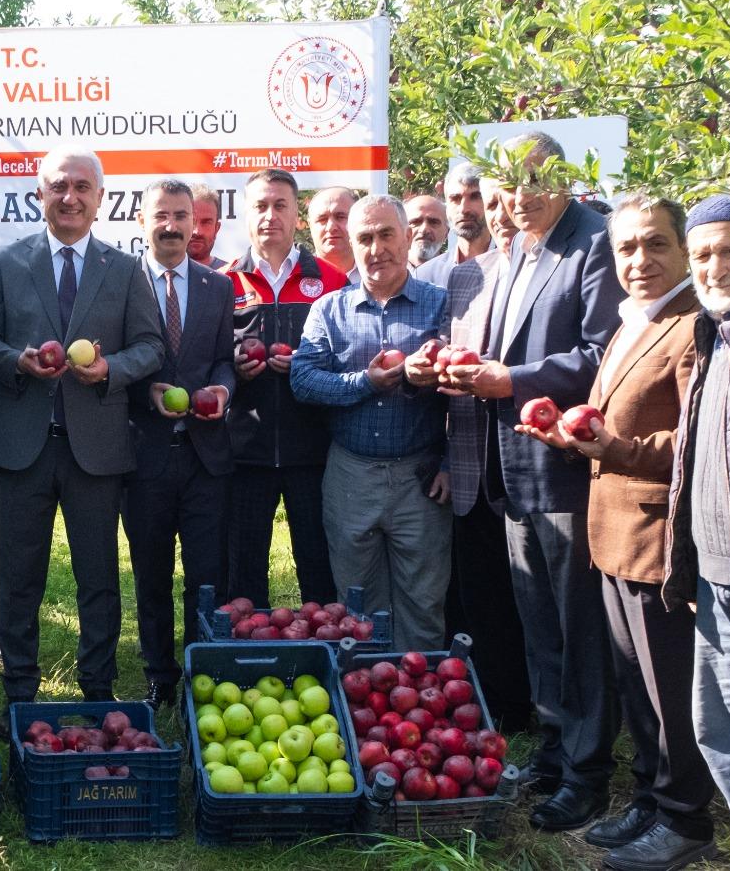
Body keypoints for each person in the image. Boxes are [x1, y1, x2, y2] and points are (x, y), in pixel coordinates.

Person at [516, 195, 715, 869]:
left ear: (684, 250)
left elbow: (692, 443)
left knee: (668, 689)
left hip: (658, 540)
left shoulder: (693, 327)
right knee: (637, 690)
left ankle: (686, 819)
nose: (640, 261)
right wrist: (568, 436)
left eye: (656, 245)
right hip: (614, 538)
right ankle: (650, 800)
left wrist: (612, 445)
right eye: (627, 248)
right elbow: (610, 426)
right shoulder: (637, 322)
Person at [434, 131, 625, 831]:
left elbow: (602, 355)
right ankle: (553, 752)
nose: (519, 198)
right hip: (510, 473)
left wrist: (509, 379)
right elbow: (509, 348)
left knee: (578, 631)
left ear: (567, 178)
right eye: (507, 187)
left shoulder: (594, 242)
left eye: (534, 181)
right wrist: (469, 366)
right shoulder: (516, 249)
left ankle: (588, 772)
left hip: (566, 472)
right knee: (538, 626)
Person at [0, 147, 163, 721]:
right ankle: (19, 693)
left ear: (101, 198)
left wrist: (110, 371)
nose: (70, 196)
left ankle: (97, 690)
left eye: (82, 186)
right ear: (40, 195)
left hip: (95, 446)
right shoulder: (6, 262)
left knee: (98, 575)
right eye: (58, 187)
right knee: (17, 575)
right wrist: (15, 361)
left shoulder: (122, 269)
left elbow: (150, 346)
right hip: (23, 443)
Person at [291, 194, 452, 650]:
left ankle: (424, 706)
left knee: (423, 599)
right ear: (351, 243)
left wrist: (449, 459)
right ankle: (365, 701)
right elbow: (302, 380)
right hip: (351, 474)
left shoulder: (441, 305)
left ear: (406, 237)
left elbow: (461, 395)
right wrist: (367, 382)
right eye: (365, 237)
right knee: (357, 602)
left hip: (419, 475)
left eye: (386, 235)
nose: (377, 248)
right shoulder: (329, 308)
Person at [665, 192, 730, 871]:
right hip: (717, 579)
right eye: (702, 254)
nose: (714, 266)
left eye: (729, 249)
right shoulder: (712, 335)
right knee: (722, 733)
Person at [415, 182, 533, 733]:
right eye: (461, 197)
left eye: (479, 197)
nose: (473, 209)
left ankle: (530, 702)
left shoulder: (550, 268)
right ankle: (497, 701)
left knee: (529, 595)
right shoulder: (453, 277)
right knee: (479, 589)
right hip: (466, 460)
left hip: (527, 458)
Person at [121, 179, 236, 709]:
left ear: (197, 223)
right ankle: (159, 675)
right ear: (141, 221)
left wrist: (221, 389)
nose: (171, 226)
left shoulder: (218, 286)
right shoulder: (123, 284)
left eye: (181, 216)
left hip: (205, 453)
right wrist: (148, 392)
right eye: (161, 215)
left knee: (206, 572)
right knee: (151, 572)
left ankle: (199, 668)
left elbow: (223, 359)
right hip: (142, 452)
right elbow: (113, 365)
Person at [221, 168, 348, 607]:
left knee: (320, 568)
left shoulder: (332, 281)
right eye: (260, 206)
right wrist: (232, 366)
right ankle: (242, 664)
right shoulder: (223, 281)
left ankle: (328, 659)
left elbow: (349, 358)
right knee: (243, 573)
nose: (269, 215)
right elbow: (209, 362)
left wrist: (308, 366)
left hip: (314, 452)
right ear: (246, 215)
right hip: (245, 451)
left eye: (280, 205)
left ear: (298, 215)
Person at [416, 163, 492, 287]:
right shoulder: (425, 277)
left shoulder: (513, 266)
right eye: (455, 198)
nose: (464, 209)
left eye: (475, 197)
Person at [307, 186, 359, 283]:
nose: (331, 227)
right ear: (310, 226)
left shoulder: (381, 276)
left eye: (340, 217)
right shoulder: (292, 279)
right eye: (322, 219)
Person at [188, 182, 231, 270]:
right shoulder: (160, 276)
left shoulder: (232, 276)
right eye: (191, 222)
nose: (197, 231)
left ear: (216, 228)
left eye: (206, 222)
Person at [406, 194, 449, 267]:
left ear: (446, 233)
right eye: (415, 222)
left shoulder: (457, 276)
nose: (424, 229)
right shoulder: (385, 274)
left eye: (434, 222)